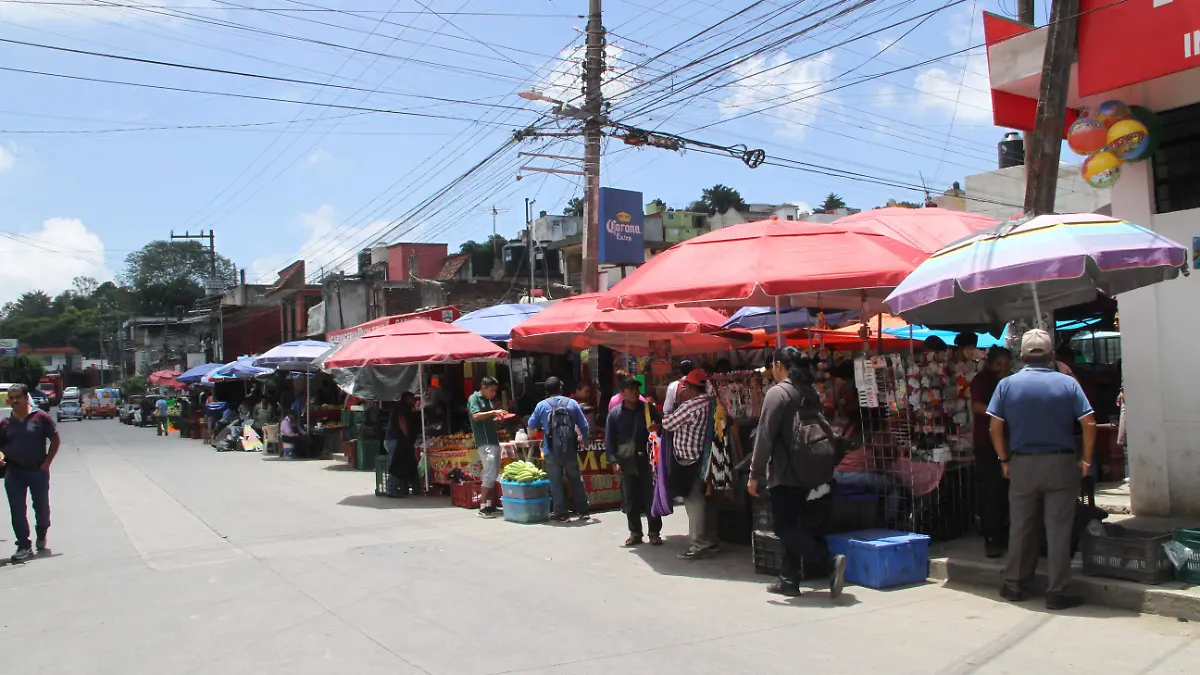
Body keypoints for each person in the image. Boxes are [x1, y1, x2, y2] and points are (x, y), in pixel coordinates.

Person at [988, 329, 1095, 611]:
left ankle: (1015, 585)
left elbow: (995, 426)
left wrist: (1004, 460)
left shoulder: (1006, 385)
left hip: (1022, 463)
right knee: (1058, 528)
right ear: (1051, 356)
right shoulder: (1068, 383)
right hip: (1060, 463)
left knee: (1022, 526)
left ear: (1021, 356)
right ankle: (1058, 590)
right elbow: (1089, 422)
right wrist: (1085, 460)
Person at [748, 348, 848, 599]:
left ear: (779, 365)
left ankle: (828, 561)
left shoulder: (778, 393)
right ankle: (789, 579)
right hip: (811, 470)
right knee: (795, 525)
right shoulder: (809, 391)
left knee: (783, 526)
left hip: (786, 473)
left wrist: (754, 474)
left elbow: (765, 436)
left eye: (772, 365)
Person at [662, 368, 718, 560]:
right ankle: (709, 539)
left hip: (689, 458)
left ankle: (698, 543)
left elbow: (668, 423)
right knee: (704, 500)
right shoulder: (710, 402)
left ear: (691, 387)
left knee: (693, 501)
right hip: (705, 457)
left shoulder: (690, 406)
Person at [0, 384, 60, 562]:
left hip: (37, 470)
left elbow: (55, 439)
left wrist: (47, 462)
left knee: (41, 507)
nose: (15, 401)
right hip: (14, 471)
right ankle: (24, 545)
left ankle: (42, 532)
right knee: (17, 509)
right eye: (12, 398)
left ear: (26, 397)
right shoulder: (5, 424)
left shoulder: (40, 417)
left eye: (18, 396)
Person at [605, 377, 662, 547]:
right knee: (630, 499)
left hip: (647, 460)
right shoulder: (614, 414)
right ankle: (635, 532)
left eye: (637, 389)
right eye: (631, 389)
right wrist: (614, 461)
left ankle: (654, 533)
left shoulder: (648, 409)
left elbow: (662, 426)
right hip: (626, 461)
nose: (635, 392)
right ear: (622, 393)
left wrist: (657, 427)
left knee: (650, 497)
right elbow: (609, 441)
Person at [528, 376, 590, 522]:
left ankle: (561, 513)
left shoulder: (541, 405)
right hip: (570, 448)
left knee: (555, 481)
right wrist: (585, 440)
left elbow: (531, 426)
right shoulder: (572, 403)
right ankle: (583, 510)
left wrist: (532, 437)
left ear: (546, 391)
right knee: (576, 479)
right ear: (561, 389)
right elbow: (585, 425)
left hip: (551, 450)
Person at [971, 346, 1013, 559]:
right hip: (987, 444)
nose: (1004, 369)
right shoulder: (982, 380)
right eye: (1000, 364)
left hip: (1009, 442)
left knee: (1008, 491)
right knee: (992, 491)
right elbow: (977, 406)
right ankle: (992, 537)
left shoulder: (1012, 380)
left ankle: (1006, 534)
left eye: (1007, 365)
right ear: (992, 364)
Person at [468, 377, 505, 517]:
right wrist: (493, 412)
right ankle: (482, 506)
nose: (493, 393)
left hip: (492, 439)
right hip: (484, 441)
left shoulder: (487, 400)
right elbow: (475, 416)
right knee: (490, 473)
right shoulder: (474, 398)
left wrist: (497, 419)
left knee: (493, 473)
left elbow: (487, 421)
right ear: (483, 387)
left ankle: (490, 504)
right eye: (492, 390)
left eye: (495, 391)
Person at [381, 394, 419, 498]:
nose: (415, 401)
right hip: (395, 440)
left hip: (391, 439)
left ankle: (402, 488)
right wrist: (407, 435)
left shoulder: (400, 407)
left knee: (400, 463)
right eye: (413, 398)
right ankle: (391, 489)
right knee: (396, 464)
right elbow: (402, 422)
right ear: (407, 399)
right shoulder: (402, 407)